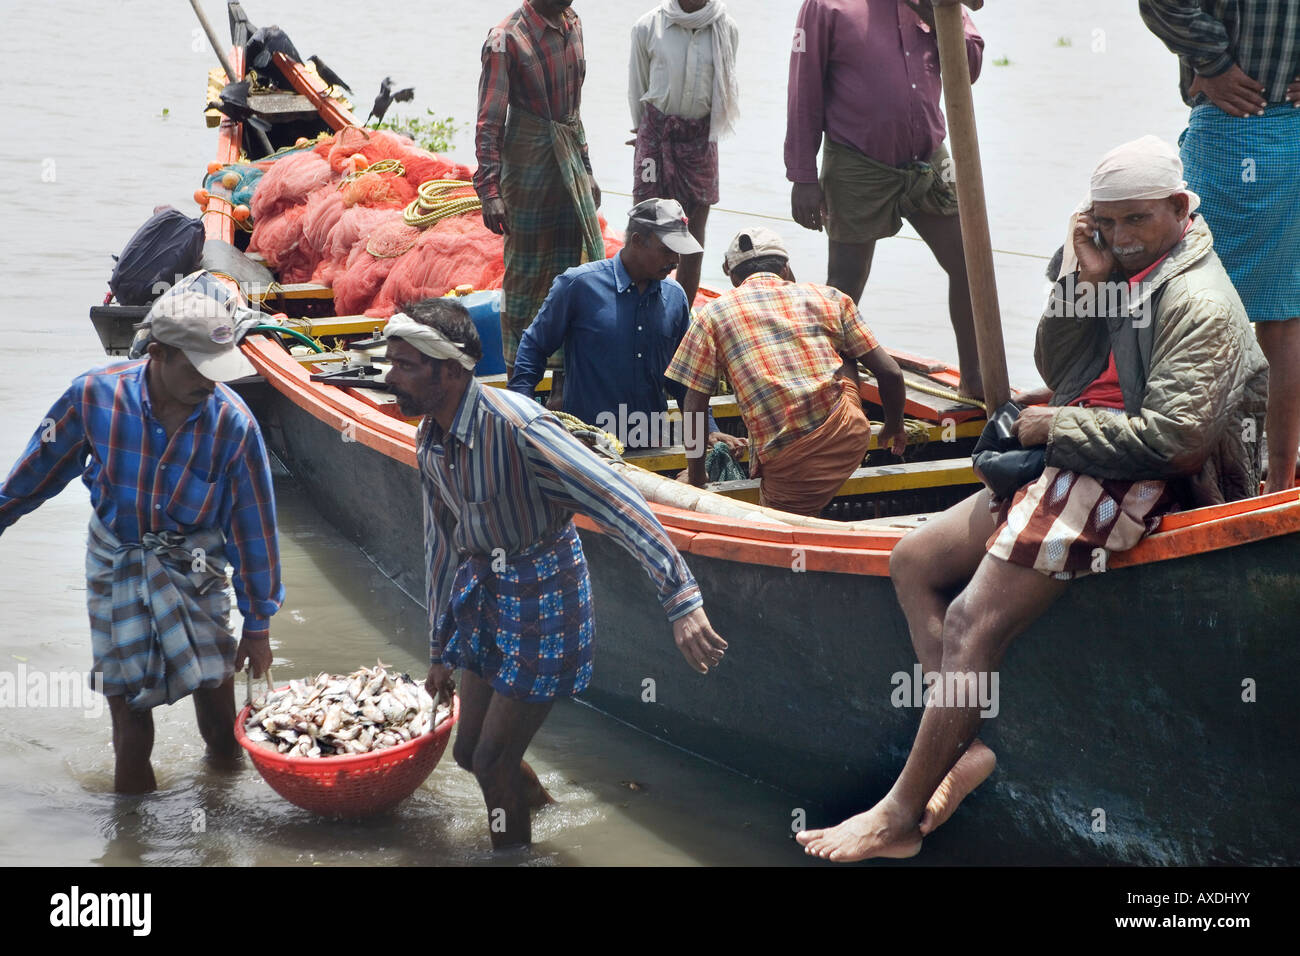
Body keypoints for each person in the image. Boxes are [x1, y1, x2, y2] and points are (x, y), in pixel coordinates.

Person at [796, 136, 1268, 862]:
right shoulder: (1119, 264)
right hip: (1077, 445)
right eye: (1106, 223)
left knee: (972, 620)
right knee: (914, 559)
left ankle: (898, 814)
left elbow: (1177, 443)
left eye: (1138, 221)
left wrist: (1056, 423)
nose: (1121, 236)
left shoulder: (1198, 299)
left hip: (1133, 471)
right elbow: (1062, 363)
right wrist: (1084, 277)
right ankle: (959, 752)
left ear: (1180, 210)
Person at [385, 297, 727, 849]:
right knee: (471, 754)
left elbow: (619, 500)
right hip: (483, 594)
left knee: (494, 759)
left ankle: (514, 857)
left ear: (448, 370)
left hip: (545, 595)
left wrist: (682, 600)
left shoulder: (519, 427)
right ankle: (539, 806)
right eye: (390, 361)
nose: (387, 376)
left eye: (403, 365)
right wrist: (439, 647)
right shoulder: (430, 438)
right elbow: (441, 545)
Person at [0, 272, 283, 794]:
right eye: (199, 368)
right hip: (117, 562)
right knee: (130, 724)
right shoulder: (93, 397)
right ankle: (130, 845)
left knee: (220, 720)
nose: (210, 382)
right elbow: (36, 473)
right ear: (159, 352)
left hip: (194, 568)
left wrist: (259, 626)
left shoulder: (234, 426)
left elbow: (254, 532)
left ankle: (220, 820)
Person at [785, 0, 985, 399]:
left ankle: (976, 382)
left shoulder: (941, 4)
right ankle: (839, 388)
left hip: (927, 156)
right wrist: (803, 174)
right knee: (846, 282)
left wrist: (933, 14)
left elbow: (970, 69)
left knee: (971, 265)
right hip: (857, 158)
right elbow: (803, 86)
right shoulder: (827, 5)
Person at [1139, 0, 1300, 493]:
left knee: (1182, 303)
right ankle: (1279, 481)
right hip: (1290, 132)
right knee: (1285, 315)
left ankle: (1178, 468)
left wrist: (1215, 64)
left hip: (1230, 129)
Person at [665, 226, 907, 517]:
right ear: (786, 268)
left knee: (784, 520)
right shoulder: (830, 297)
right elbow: (891, 374)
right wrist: (894, 425)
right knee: (848, 349)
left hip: (790, 463)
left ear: (731, 275)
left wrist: (696, 477)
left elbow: (694, 407)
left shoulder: (712, 315)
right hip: (851, 435)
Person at [509, 198, 743, 455]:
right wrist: (522, 412)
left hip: (651, 442)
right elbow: (533, 347)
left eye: (678, 251)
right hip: (588, 445)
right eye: (667, 250)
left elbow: (685, 378)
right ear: (637, 241)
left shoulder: (675, 297)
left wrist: (707, 429)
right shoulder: (577, 286)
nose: (676, 260)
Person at [474, 0, 606, 379]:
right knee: (526, 277)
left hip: (569, 161)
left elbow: (574, 113)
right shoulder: (506, 39)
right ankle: (522, 384)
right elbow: (490, 122)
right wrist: (490, 192)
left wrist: (587, 168)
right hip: (527, 162)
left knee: (574, 271)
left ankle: (565, 382)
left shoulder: (572, 23)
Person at [628, 0, 740, 304]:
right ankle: (635, 302)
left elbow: (720, 90)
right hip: (656, 135)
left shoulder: (725, 27)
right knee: (645, 220)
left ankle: (682, 312)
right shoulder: (648, 26)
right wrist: (643, 135)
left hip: (701, 137)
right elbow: (638, 89)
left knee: (694, 229)